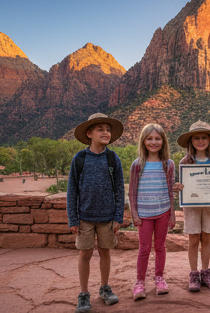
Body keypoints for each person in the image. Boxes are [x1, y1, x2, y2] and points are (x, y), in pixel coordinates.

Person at [67, 113, 125, 311]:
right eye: (100, 129)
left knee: (105, 253)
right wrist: (73, 218)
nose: (105, 132)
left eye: (108, 129)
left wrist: (118, 217)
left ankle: (105, 287)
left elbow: (119, 189)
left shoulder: (112, 158)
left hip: (107, 217)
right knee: (84, 254)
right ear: (89, 133)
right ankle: (83, 294)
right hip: (84, 218)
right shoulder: (80, 159)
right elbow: (72, 190)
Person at [174, 121, 210, 292]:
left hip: (209, 205)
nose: (200, 141)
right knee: (194, 238)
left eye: (204, 137)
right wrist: (179, 187)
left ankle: (205, 271)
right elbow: (181, 184)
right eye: (197, 138)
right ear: (191, 141)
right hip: (192, 206)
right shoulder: (185, 161)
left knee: (206, 237)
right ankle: (193, 273)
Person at [128, 123, 175, 300]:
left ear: (163, 141)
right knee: (144, 248)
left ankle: (159, 278)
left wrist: (172, 214)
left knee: (160, 247)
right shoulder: (137, 165)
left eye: (157, 138)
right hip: (144, 213)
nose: (154, 142)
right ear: (143, 141)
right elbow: (132, 191)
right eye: (150, 138)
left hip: (163, 210)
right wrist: (134, 214)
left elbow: (170, 190)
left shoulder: (168, 164)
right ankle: (139, 282)